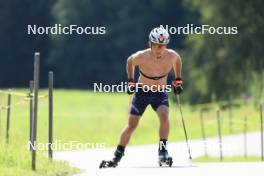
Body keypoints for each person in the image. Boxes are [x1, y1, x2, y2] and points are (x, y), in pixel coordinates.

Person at [99, 26, 183, 168]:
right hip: (141, 92)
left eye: (162, 46)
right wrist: (131, 80)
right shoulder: (141, 56)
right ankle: (117, 156)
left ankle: (162, 151)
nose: (159, 50)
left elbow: (178, 61)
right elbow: (130, 61)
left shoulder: (172, 56)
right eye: (156, 46)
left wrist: (178, 79)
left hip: (160, 92)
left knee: (164, 117)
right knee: (132, 125)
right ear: (149, 44)